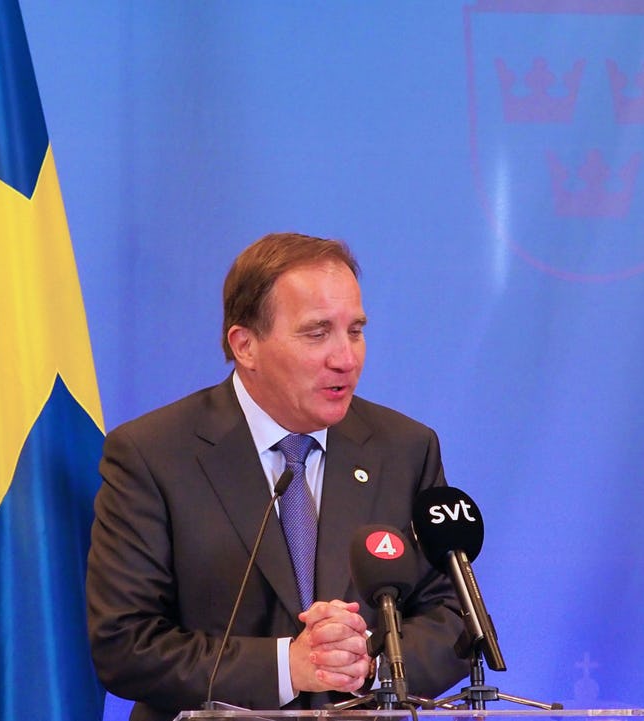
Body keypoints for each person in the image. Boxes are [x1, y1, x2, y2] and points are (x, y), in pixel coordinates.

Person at [86, 232, 470, 721]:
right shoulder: (152, 454)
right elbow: (126, 645)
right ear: (245, 345)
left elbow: (453, 617)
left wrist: (368, 663)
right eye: (317, 333)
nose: (346, 358)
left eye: (354, 330)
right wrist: (287, 665)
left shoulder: (405, 448)